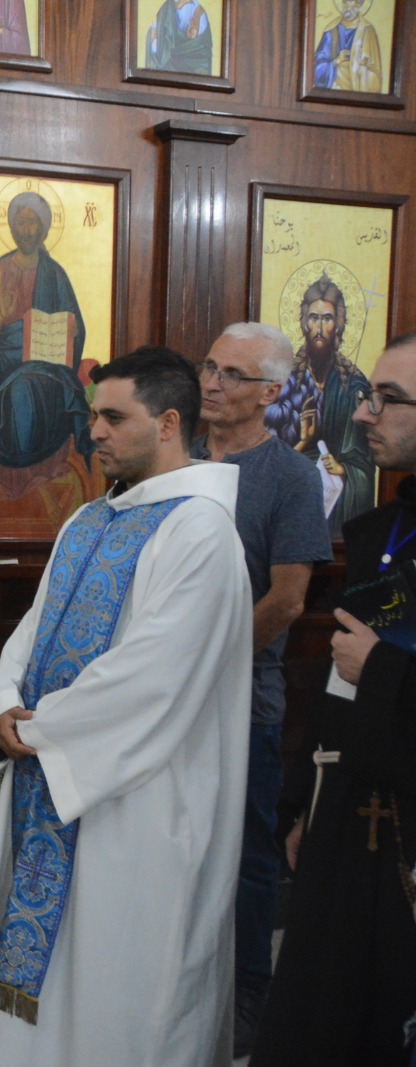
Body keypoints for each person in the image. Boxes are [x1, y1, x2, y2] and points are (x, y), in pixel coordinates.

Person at [0, 346, 251, 1067]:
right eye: (94, 417)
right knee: (45, 979)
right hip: (51, 773)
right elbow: (32, 629)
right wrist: (5, 707)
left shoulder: (201, 530)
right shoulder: (88, 518)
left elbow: (153, 675)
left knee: (115, 980)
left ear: (168, 423)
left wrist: (42, 730)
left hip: (136, 802)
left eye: (114, 417)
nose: (94, 432)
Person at [252, 333, 416, 1066]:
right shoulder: (383, 529)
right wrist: (302, 803)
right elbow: (338, 673)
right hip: (348, 805)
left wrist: (381, 668)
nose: (364, 413)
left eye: (390, 399)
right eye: (370, 394)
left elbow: (365, 661)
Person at [190, 323, 332, 1058]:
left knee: (247, 853)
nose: (212, 383)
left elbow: (287, 599)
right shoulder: (174, 458)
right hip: (158, 697)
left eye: (233, 375)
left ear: (272, 392)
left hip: (243, 696)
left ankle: (250, 995)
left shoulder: (290, 476)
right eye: (209, 367)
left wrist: (205, 669)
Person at [0, 191, 93, 473]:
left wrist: (72, 330)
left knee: (21, 390)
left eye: (32, 223)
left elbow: (74, 325)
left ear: (43, 229)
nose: (26, 231)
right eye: (21, 222)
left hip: (43, 365)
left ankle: (26, 472)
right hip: (2, 360)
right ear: (11, 226)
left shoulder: (55, 275)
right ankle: (0, 470)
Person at [267, 271, 374, 536]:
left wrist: (343, 469)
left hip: (338, 506)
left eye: (327, 318)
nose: (319, 327)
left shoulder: (354, 384)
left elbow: (364, 462)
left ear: (337, 325)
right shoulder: (285, 382)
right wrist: (304, 441)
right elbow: (266, 457)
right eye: (313, 317)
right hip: (292, 501)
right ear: (304, 323)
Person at [314, 0, 383, 92]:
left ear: (359, 3)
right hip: (335, 89)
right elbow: (316, 70)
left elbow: (376, 76)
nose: (346, 5)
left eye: (350, 1)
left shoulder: (368, 30)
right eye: (344, 1)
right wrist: (336, 61)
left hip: (359, 89)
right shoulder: (331, 31)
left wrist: (362, 68)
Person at [145, 0, 213, 74]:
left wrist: (193, 31)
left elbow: (199, 44)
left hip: (191, 57)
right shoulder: (167, 6)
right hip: (169, 56)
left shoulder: (199, 11)